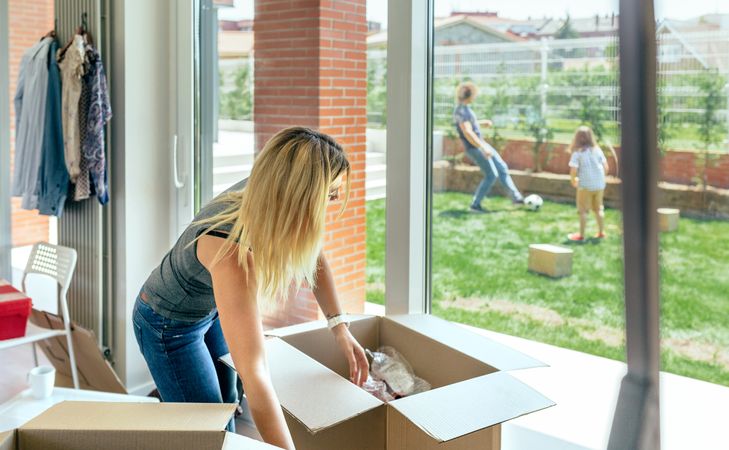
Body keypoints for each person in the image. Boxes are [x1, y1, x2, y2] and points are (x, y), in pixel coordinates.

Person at [132, 127, 369, 449]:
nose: (336, 201)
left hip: (208, 308)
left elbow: (314, 255)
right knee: (215, 429)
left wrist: (339, 325)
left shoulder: (269, 191)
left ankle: (176, 400)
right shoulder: (230, 251)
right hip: (167, 325)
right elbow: (256, 374)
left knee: (229, 397)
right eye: (330, 193)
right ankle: (177, 406)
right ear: (302, 196)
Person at [453, 81, 524, 213]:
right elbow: (467, 132)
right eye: (474, 94)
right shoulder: (461, 110)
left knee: (502, 168)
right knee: (491, 175)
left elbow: (468, 124)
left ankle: (517, 198)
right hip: (475, 147)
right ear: (470, 95)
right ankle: (475, 205)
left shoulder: (464, 109)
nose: (475, 97)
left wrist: (480, 123)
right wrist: (483, 148)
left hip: (479, 144)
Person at [567, 126, 609, 241]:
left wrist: (573, 180)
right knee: (599, 209)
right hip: (599, 184)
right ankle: (601, 232)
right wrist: (600, 179)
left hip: (585, 185)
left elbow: (573, 170)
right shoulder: (597, 150)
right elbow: (606, 167)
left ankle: (581, 235)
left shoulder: (577, 153)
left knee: (583, 210)